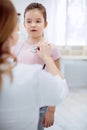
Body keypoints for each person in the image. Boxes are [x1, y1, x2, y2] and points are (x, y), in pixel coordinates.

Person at [0, 0, 68, 130]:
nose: (33, 25)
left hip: (41, 104)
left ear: (45, 24)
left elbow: (57, 79)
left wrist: (51, 110)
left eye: (38, 21)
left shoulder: (51, 49)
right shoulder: (16, 46)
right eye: (29, 21)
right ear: (23, 24)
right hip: (18, 100)